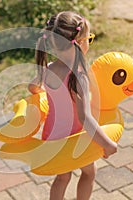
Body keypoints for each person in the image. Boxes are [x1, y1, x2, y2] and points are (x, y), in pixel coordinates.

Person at [28, 11, 117, 200]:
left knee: (62, 178)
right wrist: (107, 144)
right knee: (89, 173)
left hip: (53, 136)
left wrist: (40, 94)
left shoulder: (49, 69)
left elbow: (32, 87)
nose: (89, 43)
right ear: (79, 43)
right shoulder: (78, 77)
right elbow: (84, 118)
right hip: (75, 139)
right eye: (89, 39)